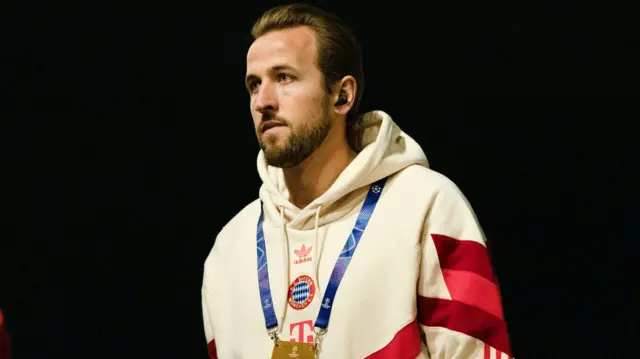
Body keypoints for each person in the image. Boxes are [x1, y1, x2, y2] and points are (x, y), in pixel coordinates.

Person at [201, 3, 514, 358]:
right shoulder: (229, 248)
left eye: (284, 77)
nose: (263, 101)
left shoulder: (425, 205)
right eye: (254, 84)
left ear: (343, 95)